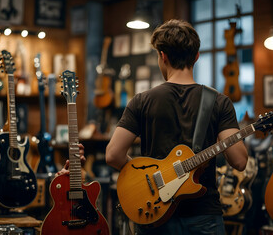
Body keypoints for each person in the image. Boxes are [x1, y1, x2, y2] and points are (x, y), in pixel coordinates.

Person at [105, 19, 248, 235]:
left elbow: (113, 155)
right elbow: (239, 161)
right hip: (203, 215)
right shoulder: (219, 102)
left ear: (162, 56)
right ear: (196, 56)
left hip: (155, 213)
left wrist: (148, 175)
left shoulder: (142, 100)